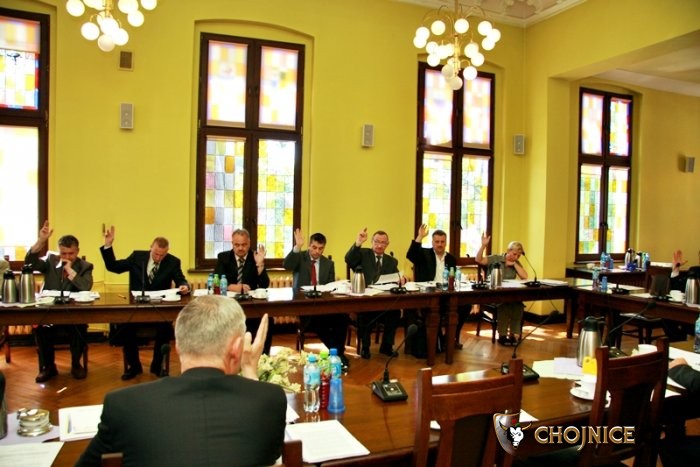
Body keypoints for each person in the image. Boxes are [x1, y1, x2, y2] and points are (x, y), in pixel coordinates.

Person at [76, 296, 286, 467]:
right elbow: (268, 455)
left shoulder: (123, 405)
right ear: (237, 348)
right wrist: (249, 370)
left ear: (177, 346)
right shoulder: (269, 399)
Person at [100, 226, 190, 380]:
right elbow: (113, 267)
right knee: (126, 329)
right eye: (156, 254)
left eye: (162, 255)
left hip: (159, 310)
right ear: (150, 248)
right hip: (137, 308)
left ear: (167, 252)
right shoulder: (137, 257)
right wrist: (108, 245)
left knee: (165, 330)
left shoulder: (173, 262)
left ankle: (157, 366)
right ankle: (134, 367)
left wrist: (184, 286)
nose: (158, 258)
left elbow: (181, 279)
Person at [25, 220, 93, 382]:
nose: (67, 257)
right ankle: (49, 367)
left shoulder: (85, 266)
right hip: (50, 313)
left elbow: (86, 287)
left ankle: (76, 364)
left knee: (79, 327)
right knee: (42, 328)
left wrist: (69, 270)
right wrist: (41, 241)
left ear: (77, 251)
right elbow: (29, 262)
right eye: (63, 253)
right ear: (58, 251)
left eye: (71, 254)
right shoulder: (50, 261)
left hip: (72, 315)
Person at [283, 228, 350, 371]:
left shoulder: (328, 263)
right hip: (303, 304)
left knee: (343, 317)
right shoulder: (300, 257)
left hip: (322, 304)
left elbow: (330, 287)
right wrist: (297, 247)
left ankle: (337, 353)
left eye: (320, 248)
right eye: (314, 247)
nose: (317, 251)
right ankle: (338, 354)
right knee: (318, 322)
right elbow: (287, 265)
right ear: (309, 245)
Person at [406, 224, 468, 349]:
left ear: (446, 243)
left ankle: (450, 337)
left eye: (442, 242)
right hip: (429, 295)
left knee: (465, 306)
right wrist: (420, 236)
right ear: (432, 242)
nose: (440, 244)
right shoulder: (425, 254)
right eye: (437, 242)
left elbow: (452, 277)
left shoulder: (451, 258)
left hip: (446, 294)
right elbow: (411, 255)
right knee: (436, 310)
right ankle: (437, 341)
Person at [345, 227, 404, 359]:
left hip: (383, 300)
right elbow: (349, 259)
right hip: (366, 300)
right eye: (376, 241)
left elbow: (396, 277)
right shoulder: (363, 254)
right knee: (366, 314)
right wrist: (358, 242)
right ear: (371, 242)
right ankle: (365, 347)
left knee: (394, 313)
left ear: (387, 244)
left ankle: (386, 346)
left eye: (383, 242)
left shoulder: (391, 261)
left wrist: (401, 279)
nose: (379, 245)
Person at [214, 228, 272, 354]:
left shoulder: (255, 256)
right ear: (232, 244)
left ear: (249, 243)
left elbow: (264, 285)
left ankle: (263, 357)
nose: (240, 248)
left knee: (267, 319)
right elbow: (216, 281)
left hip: (251, 305)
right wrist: (232, 287)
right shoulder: (223, 257)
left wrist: (260, 265)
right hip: (230, 305)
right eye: (237, 245)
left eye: (244, 245)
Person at [475, 233, 528, 346]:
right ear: (508, 250)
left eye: (518, 256)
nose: (516, 257)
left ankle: (513, 335)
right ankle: (502, 336)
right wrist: (483, 246)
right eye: (514, 254)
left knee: (518, 305)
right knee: (505, 304)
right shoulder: (496, 258)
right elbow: (478, 259)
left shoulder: (516, 262)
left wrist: (514, 264)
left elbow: (525, 276)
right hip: (493, 294)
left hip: (509, 295)